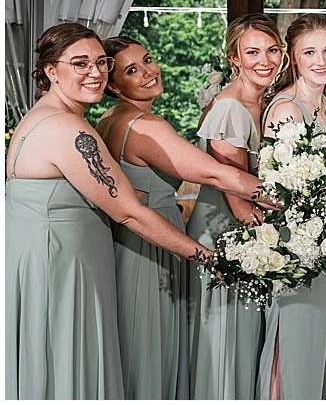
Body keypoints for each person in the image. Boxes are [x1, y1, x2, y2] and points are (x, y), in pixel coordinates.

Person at [7, 23, 217, 399]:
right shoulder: (69, 129)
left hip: (50, 260)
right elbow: (129, 212)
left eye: (101, 62)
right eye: (80, 63)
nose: (95, 72)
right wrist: (205, 256)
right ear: (51, 71)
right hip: (64, 269)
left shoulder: (46, 119)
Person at [96, 36, 269, 399]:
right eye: (132, 70)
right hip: (151, 248)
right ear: (113, 84)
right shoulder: (145, 126)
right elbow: (217, 174)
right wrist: (301, 193)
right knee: (151, 352)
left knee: (138, 346)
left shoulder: (109, 119)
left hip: (128, 242)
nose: (147, 72)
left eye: (147, 59)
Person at [188, 13, 282, 399]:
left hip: (247, 233)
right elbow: (240, 202)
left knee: (245, 339)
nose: (265, 60)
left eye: (272, 50)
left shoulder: (260, 102)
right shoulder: (230, 109)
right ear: (234, 58)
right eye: (253, 52)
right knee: (228, 341)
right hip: (226, 236)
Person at [256, 13, 326, 399]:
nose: (321, 60)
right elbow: (277, 189)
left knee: (317, 345)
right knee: (292, 343)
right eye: (310, 52)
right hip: (297, 244)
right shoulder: (286, 108)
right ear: (293, 56)